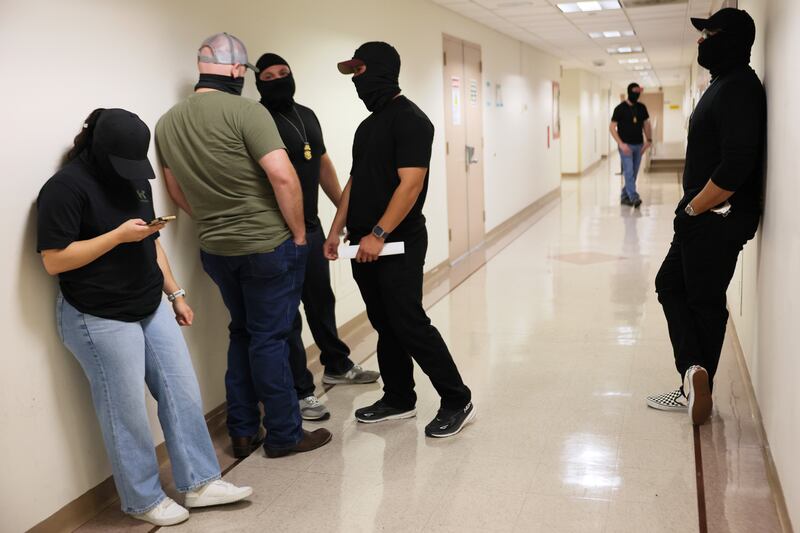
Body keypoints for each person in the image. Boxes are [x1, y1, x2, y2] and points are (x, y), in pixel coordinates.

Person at [37, 108, 253, 527]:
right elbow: (54, 260)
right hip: (96, 314)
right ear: (100, 150)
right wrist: (118, 236)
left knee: (181, 391)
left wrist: (175, 293)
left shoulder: (136, 180)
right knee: (126, 412)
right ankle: (142, 499)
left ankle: (200, 483)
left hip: (148, 303)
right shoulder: (65, 188)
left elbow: (151, 240)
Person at [155, 33, 331, 458]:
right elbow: (283, 177)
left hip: (216, 248)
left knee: (242, 332)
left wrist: (213, 219)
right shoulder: (247, 112)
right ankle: (285, 434)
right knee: (271, 338)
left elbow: (176, 190)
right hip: (267, 245)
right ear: (237, 71)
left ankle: (241, 431)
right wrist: (299, 234)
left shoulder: (167, 122)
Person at [325, 42, 475, 438]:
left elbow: (411, 185)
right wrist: (336, 229)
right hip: (364, 245)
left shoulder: (411, 120)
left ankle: (457, 399)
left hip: (397, 243)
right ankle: (398, 398)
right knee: (384, 322)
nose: (355, 81)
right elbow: (355, 182)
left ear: (381, 69)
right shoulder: (367, 126)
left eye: (359, 71)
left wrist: (379, 233)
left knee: (409, 322)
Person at [647, 8, 765, 425]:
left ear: (730, 40)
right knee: (670, 284)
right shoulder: (723, 84)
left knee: (704, 302)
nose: (701, 40)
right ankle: (694, 374)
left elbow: (736, 166)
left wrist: (695, 207)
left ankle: (697, 384)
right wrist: (691, 211)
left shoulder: (739, 88)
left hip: (716, 217)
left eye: (709, 33)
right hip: (701, 217)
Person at [254, 53, 380, 422]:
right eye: (269, 76)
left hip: (310, 227)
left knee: (321, 299)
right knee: (287, 314)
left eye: (284, 73)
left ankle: (337, 364)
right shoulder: (256, 120)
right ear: (258, 83)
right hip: (276, 232)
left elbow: (322, 163)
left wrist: (344, 210)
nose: (278, 80)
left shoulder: (306, 115)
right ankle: (301, 391)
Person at [610, 83, 652, 207]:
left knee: (633, 173)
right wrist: (621, 144)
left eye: (639, 92)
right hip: (625, 147)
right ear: (629, 92)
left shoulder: (642, 107)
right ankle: (634, 197)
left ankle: (624, 196)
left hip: (639, 146)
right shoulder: (620, 108)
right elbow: (612, 127)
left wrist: (649, 140)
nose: (637, 94)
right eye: (635, 91)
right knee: (628, 172)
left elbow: (646, 124)